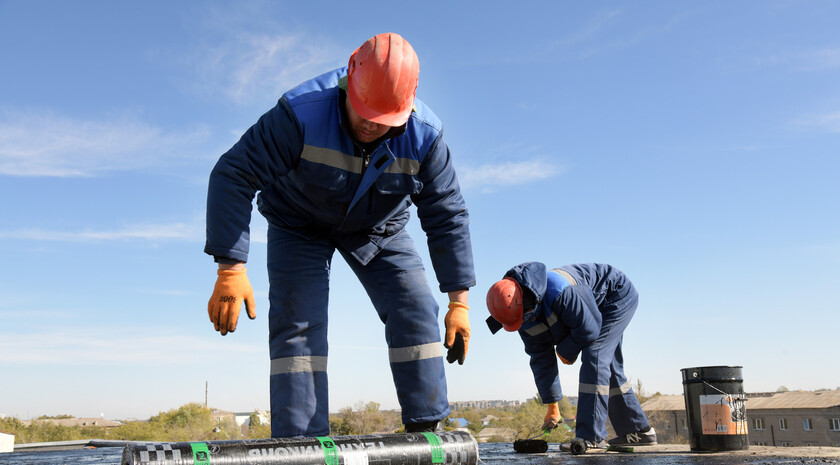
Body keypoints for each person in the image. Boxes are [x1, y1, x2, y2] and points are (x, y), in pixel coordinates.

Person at [205, 32, 475, 437]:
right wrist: (230, 267)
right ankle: (302, 444)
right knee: (298, 324)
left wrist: (460, 301)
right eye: (363, 110)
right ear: (349, 81)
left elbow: (447, 215)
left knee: (416, 306)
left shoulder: (425, 138)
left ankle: (426, 431)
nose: (369, 124)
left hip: (379, 226)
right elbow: (233, 173)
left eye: (383, 118)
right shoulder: (300, 114)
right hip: (297, 223)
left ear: (407, 107)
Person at [485, 262, 656, 449]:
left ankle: (591, 437)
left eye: (526, 316)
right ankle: (639, 431)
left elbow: (589, 330)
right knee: (607, 367)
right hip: (590, 310)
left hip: (614, 295)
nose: (527, 321)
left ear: (530, 301)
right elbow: (541, 358)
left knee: (596, 355)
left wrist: (565, 350)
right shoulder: (519, 314)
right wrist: (552, 405)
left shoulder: (560, 291)